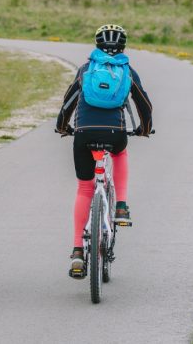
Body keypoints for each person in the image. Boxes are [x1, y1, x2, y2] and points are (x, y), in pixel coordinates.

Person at [55, 24, 153, 279]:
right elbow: (143, 103)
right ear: (123, 46)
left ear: (97, 45)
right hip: (115, 133)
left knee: (85, 188)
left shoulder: (86, 69)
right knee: (120, 153)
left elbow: (68, 102)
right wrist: (145, 128)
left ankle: (78, 250)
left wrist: (62, 126)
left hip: (84, 133)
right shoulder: (127, 71)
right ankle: (120, 205)